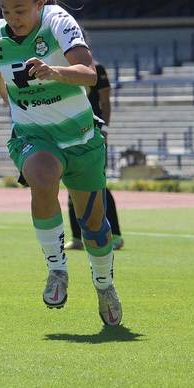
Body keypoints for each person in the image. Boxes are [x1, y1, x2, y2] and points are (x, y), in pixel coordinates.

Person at [0, 0, 122, 326]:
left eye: (20, 10)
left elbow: (89, 74)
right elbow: (2, 78)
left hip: (81, 136)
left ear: (40, 1)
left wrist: (53, 71)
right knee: (42, 179)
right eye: (5, 12)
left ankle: (104, 285)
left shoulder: (59, 22)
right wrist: (16, 106)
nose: (13, 19)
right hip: (34, 135)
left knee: (95, 226)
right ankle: (57, 270)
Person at [66, 62, 124, 250]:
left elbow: (105, 102)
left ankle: (115, 235)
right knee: (70, 184)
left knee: (98, 185)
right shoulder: (59, 69)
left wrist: (105, 128)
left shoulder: (96, 69)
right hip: (68, 133)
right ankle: (76, 237)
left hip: (92, 133)